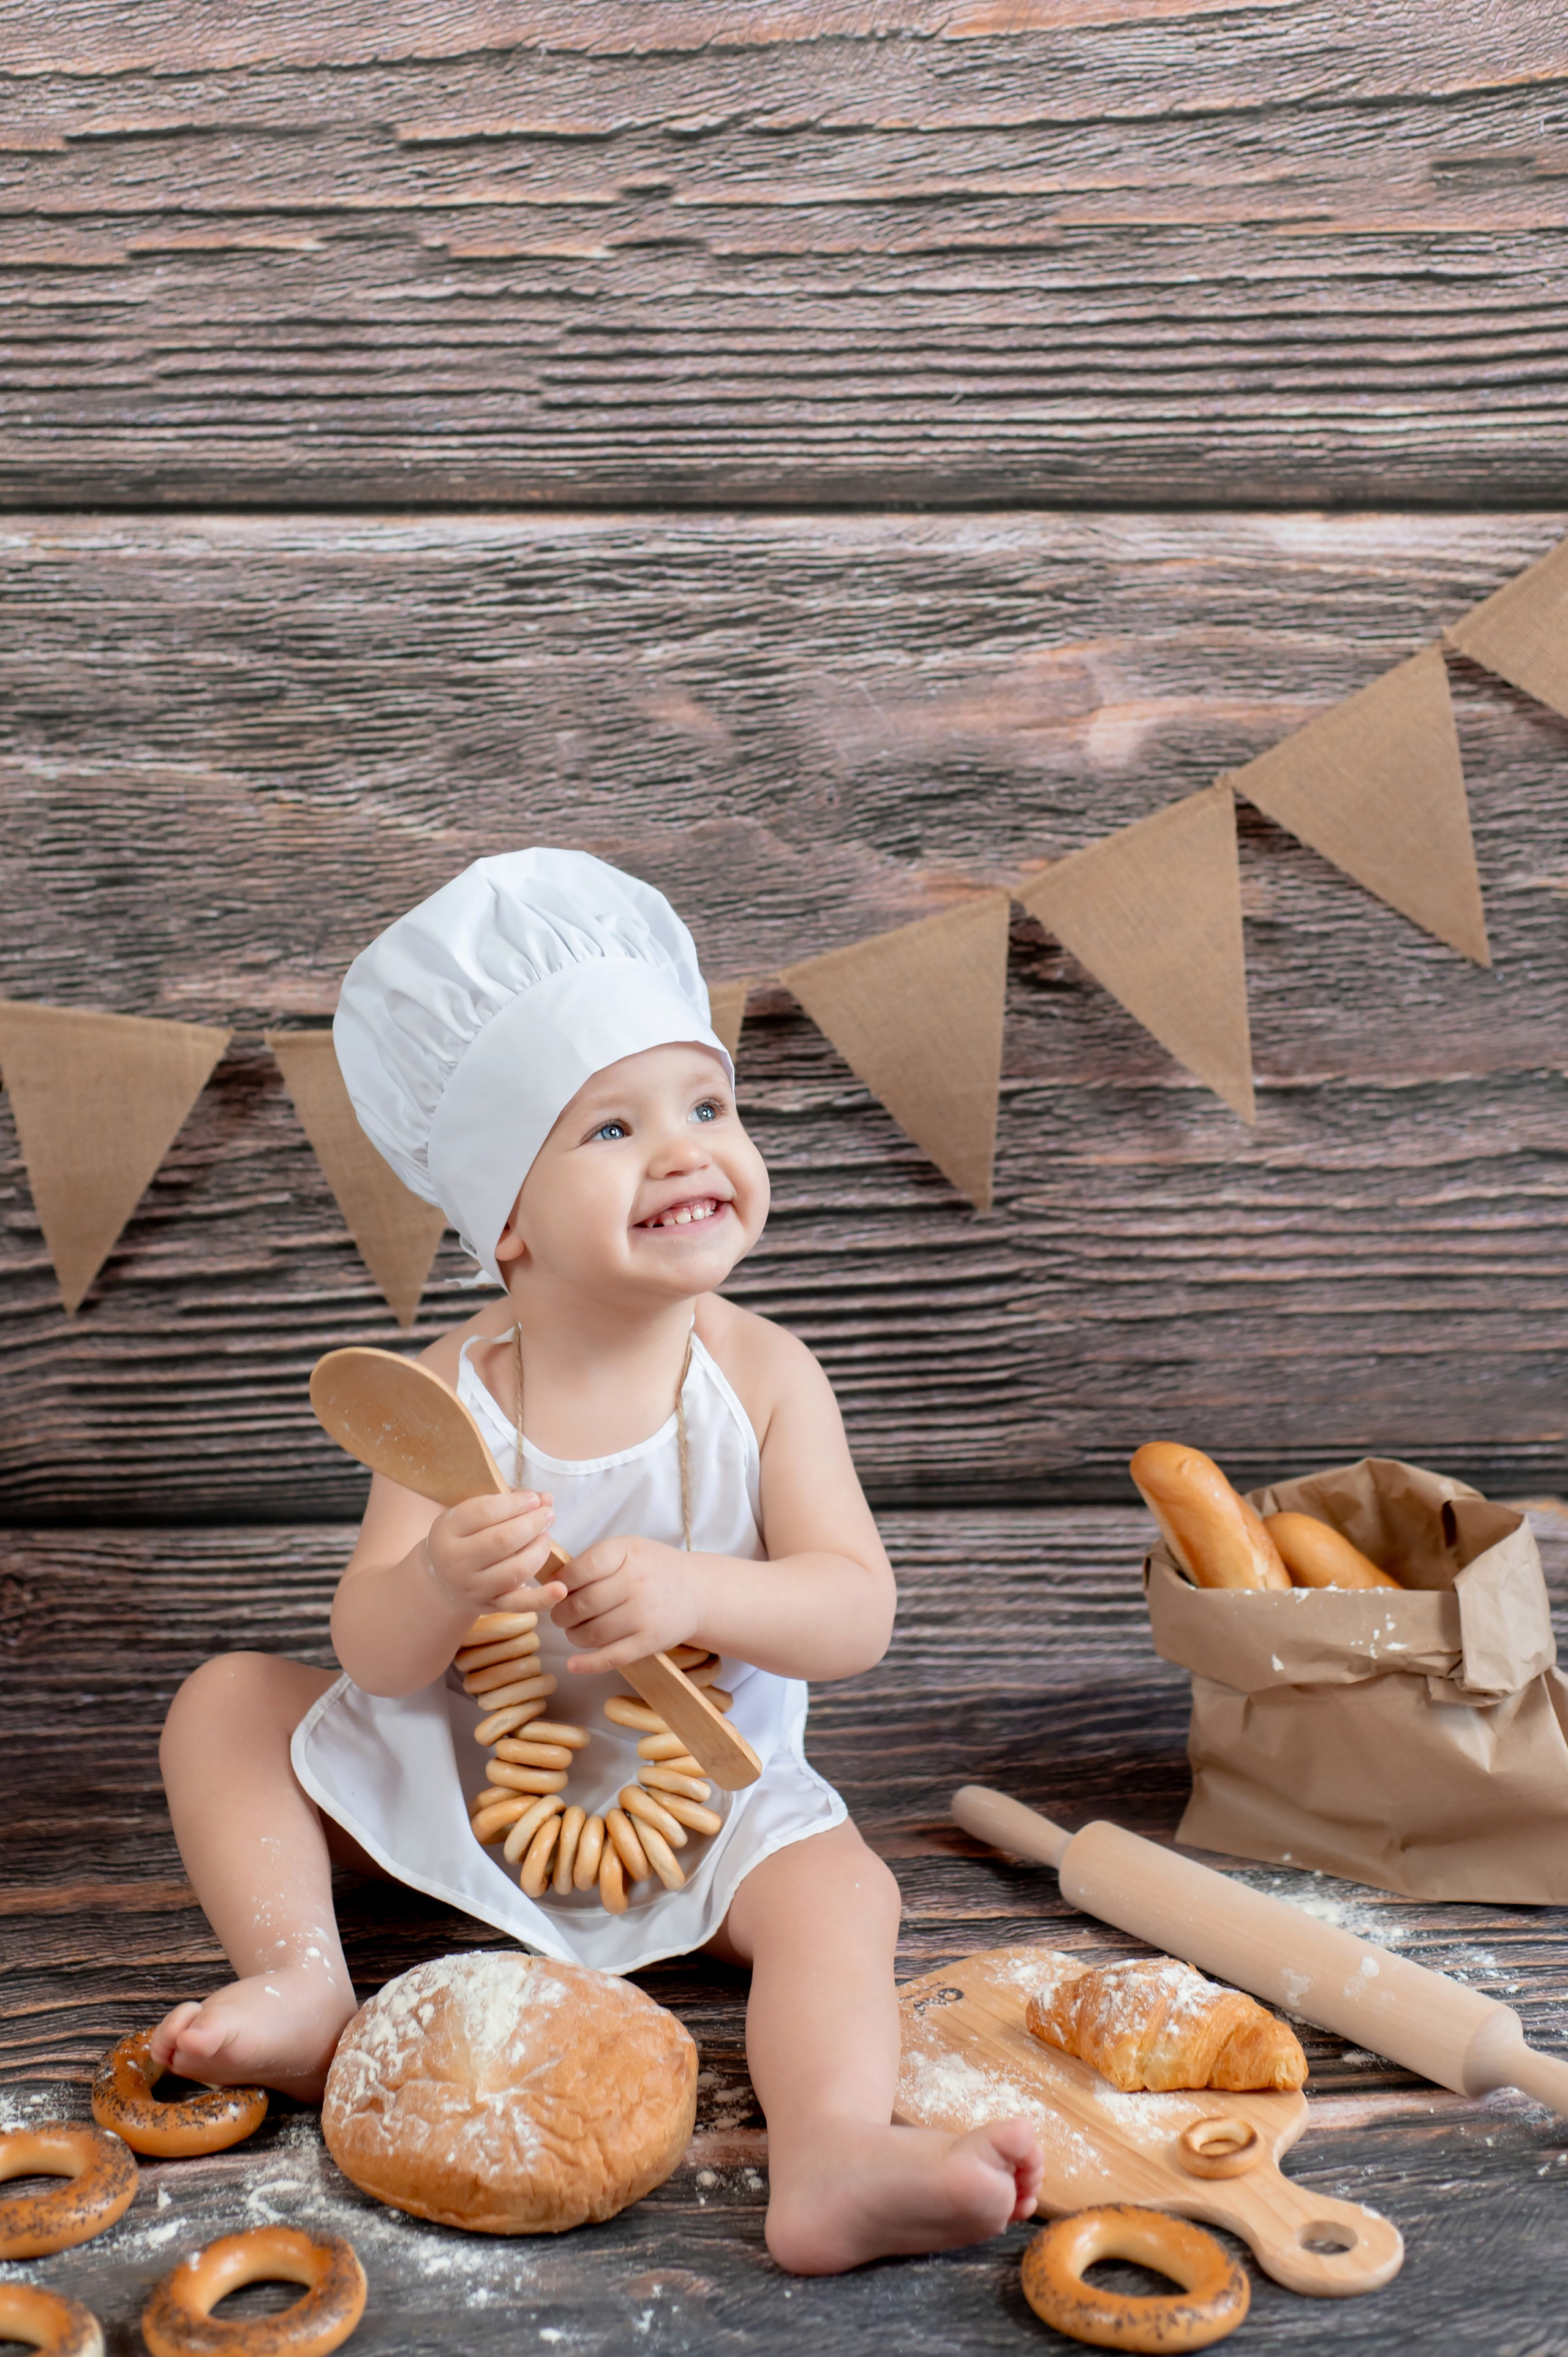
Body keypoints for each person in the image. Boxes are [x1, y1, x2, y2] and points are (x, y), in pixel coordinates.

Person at [151, 849, 1042, 2274]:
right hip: (472, 1769)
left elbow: (854, 1611)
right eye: (613, 1129)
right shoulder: (442, 1397)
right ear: (503, 1219)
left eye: (705, 1105)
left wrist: (703, 1593)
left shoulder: (763, 1377)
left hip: (700, 1793)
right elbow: (376, 1651)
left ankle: (829, 2155)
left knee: (845, 1895)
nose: (689, 1148)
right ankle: (302, 1979)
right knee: (224, 1703)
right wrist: (439, 1580)